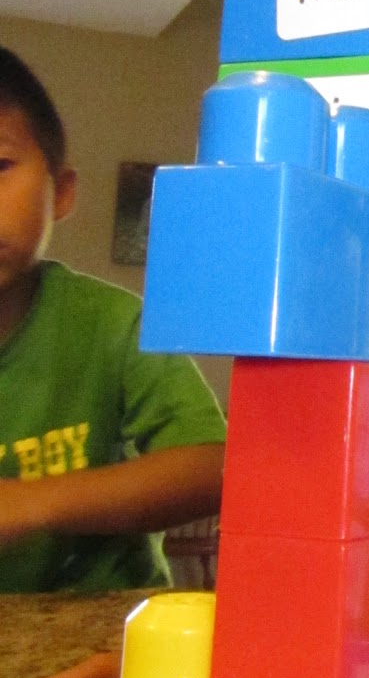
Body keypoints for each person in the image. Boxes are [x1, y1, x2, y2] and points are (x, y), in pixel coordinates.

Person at [0, 47, 225, 596]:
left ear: (63, 194)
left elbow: (213, 468)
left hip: (106, 634)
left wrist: (31, 503)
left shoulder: (109, 323)